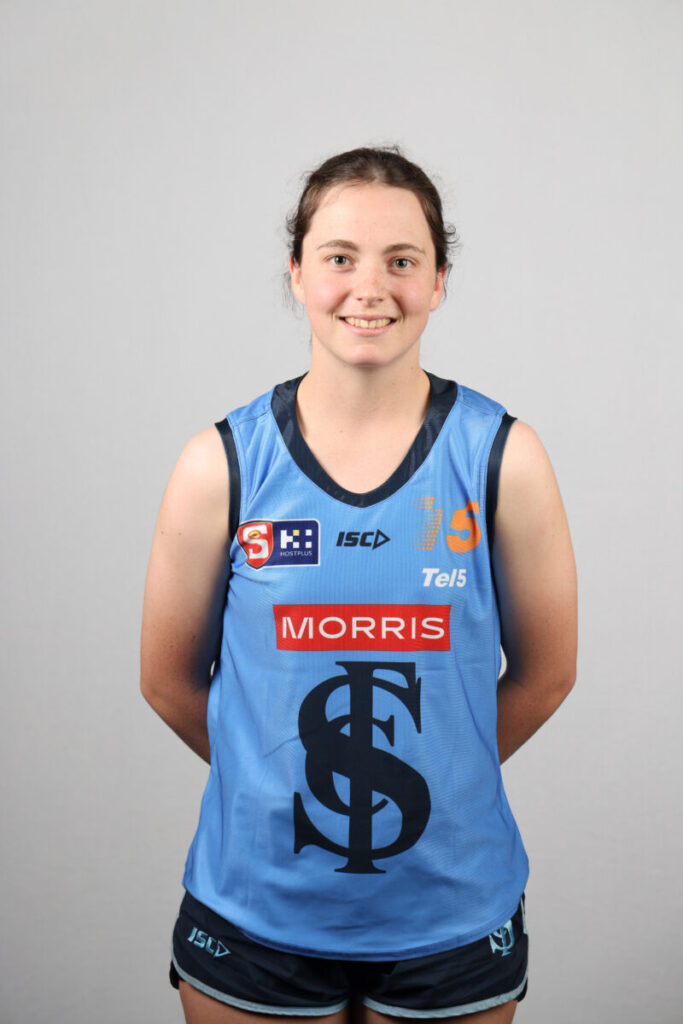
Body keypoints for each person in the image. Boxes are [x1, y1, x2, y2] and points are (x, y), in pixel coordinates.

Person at [140, 146, 577, 1024]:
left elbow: (545, 675)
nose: (369, 288)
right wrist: (281, 783)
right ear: (297, 273)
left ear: (439, 280)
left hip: (451, 909)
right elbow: (167, 682)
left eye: (401, 261)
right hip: (253, 907)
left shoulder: (502, 457)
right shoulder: (220, 464)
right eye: (339, 257)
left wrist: (433, 775)